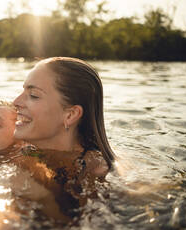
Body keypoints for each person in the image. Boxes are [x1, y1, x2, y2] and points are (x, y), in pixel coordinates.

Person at [12, 57, 116, 213]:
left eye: (33, 95)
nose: (16, 101)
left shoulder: (94, 172)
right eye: (23, 91)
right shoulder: (19, 148)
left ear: (70, 115)